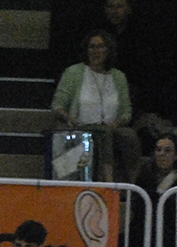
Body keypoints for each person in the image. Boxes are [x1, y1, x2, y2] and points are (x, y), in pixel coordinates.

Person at [52, 31, 138, 182]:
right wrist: (68, 118)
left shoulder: (118, 77)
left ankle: (134, 182)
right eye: (92, 47)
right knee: (103, 133)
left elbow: (126, 112)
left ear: (108, 50)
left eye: (100, 47)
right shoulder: (74, 73)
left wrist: (116, 123)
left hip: (112, 128)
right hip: (82, 127)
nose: (95, 51)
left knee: (129, 136)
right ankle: (108, 180)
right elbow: (58, 105)